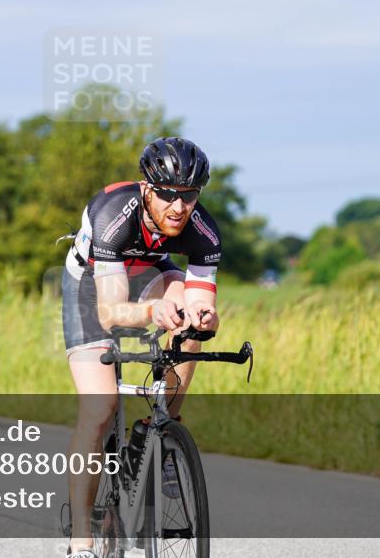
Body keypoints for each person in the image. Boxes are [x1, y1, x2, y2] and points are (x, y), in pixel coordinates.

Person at [61, 137, 222, 558]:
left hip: (151, 272)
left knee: (190, 321)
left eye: (188, 195)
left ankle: (164, 429)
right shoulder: (115, 213)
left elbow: (204, 301)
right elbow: (112, 311)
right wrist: (154, 311)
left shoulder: (204, 231)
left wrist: (202, 318)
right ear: (147, 189)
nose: (178, 206)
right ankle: (83, 538)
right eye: (167, 194)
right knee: (99, 409)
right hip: (92, 286)